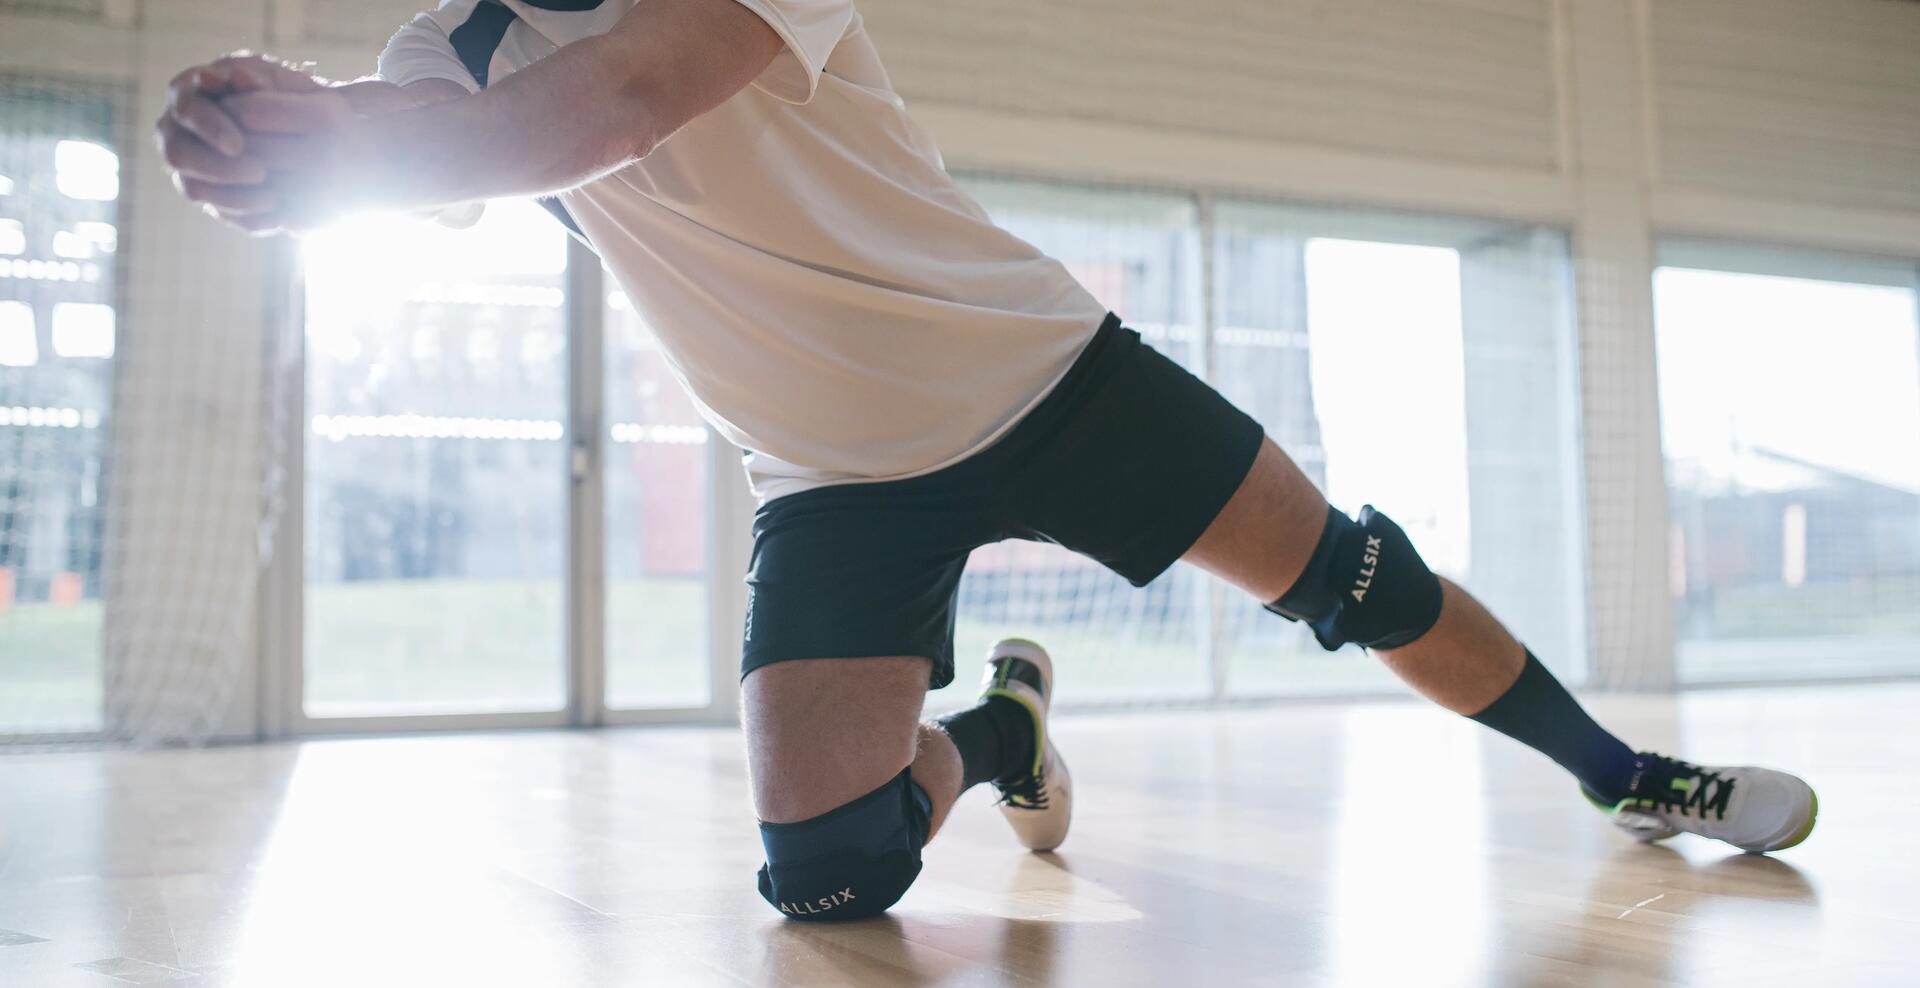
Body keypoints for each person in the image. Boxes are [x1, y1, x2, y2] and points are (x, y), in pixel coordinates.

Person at [155, 0, 1818, 922]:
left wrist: (333, 136)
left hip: (1039, 372)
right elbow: (433, 152)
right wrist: (281, 127)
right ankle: (1001, 726)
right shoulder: (437, 56)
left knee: (1352, 584)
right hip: (824, 476)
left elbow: (620, 100)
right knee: (831, 878)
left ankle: (1620, 772)